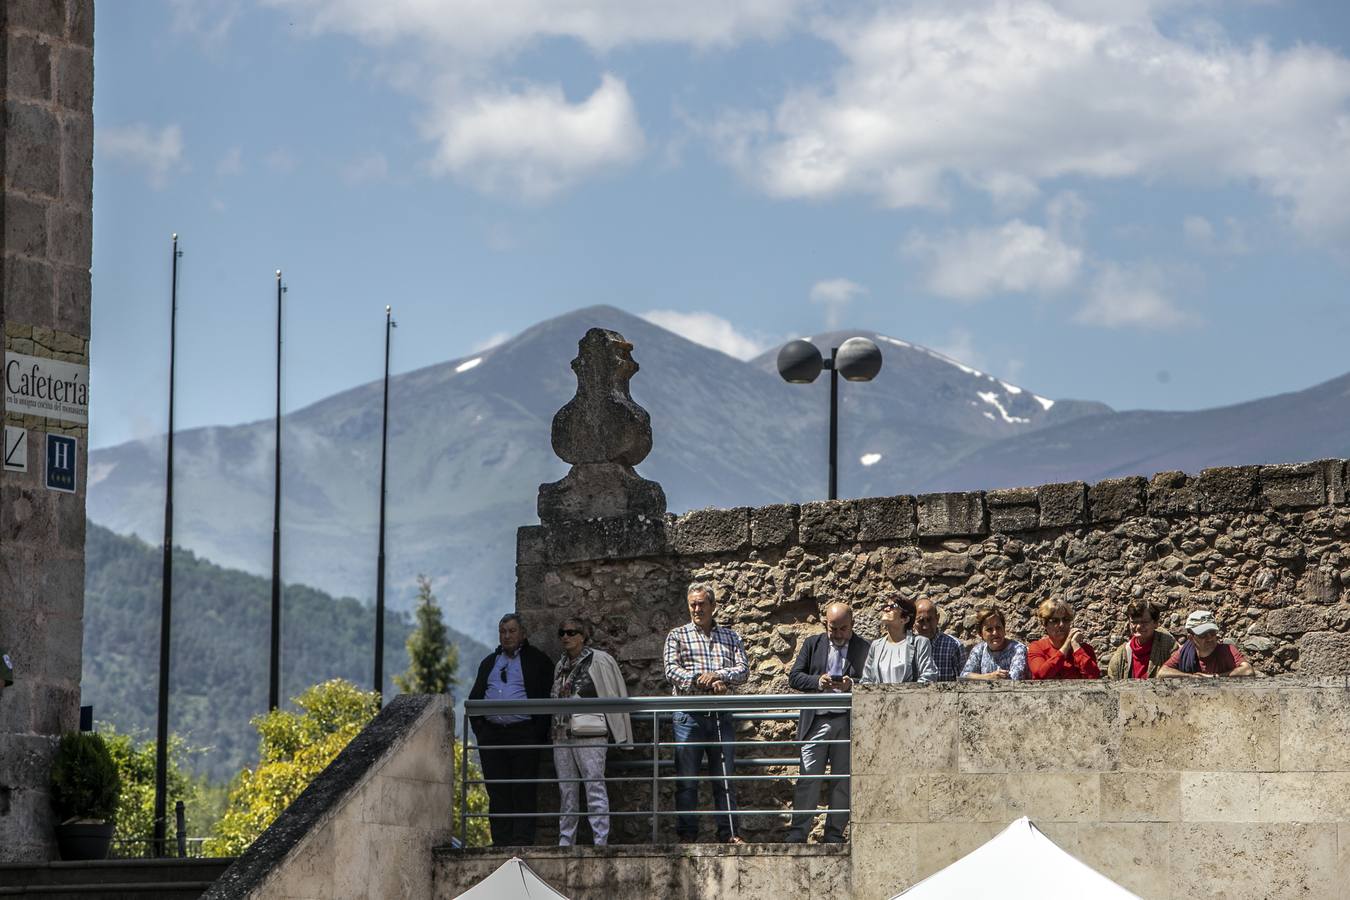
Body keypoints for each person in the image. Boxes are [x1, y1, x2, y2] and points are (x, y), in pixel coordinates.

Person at [663, 583, 749, 844]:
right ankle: (687, 836)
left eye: (701, 604)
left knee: (724, 777)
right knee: (687, 780)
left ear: (713, 606)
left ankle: (729, 834)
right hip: (689, 716)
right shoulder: (677, 635)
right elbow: (671, 670)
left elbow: (743, 670)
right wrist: (702, 681)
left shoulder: (731, 637)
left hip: (721, 715)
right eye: (692, 604)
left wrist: (719, 675)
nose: (697, 609)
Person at [785, 602, 869, 844]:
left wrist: (850, 684)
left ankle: (834, 835)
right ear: (826, 625)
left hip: (847, 720)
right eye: (833, 629)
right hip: (816, 721)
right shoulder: (813, 644)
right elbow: (795, 677)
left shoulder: (864, 647)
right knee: (808, 778)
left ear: (852, 624)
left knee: (843, 780)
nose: (839, 634)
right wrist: (818, 681)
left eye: (844, 629)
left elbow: (873, 680)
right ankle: (798, 834)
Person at [468, 613, 554, 847]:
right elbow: (474, 698)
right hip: (493, 735)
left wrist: (537, 732)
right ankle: (501, 841)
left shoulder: (537, 660)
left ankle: (522, 840)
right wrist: (481, 731)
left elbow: (548, 697)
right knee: (497, 789)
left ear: (523, 634)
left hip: (524, 732)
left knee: (523, 788)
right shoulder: (490, 662)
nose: (507, 636)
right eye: (503, 631)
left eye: (511, 631)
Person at [550, 616, 632, 847]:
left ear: (583, 636)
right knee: (567, 791)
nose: (566, 636)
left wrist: (621, 731)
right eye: (562, 632)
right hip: (561, 733)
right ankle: (566, 841)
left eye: (571, 632)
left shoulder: (599, 660)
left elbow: (613, 693)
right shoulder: (560, 665)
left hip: (590, 733)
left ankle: (600, 841)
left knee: (594, 784)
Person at [859, 595, 939, 684]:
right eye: (885, 606)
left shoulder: (919, 643)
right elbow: (866, 680)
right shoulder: (876, 646)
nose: (886, 609)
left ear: (904, 619)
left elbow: (928, 675)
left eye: (892, 607)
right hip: (879, 697)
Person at [1158, 610, 1254, 679]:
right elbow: (1162, 673)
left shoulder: (1227, 651)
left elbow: (1248, 670)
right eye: (1203, 635)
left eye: (1212, 633)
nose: (1210, 638)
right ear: (1191, 638)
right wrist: (1191, 677)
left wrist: (1216, 677)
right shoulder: (1185, 652)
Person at [1027, 599, 1101, 680]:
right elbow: (1041, 675)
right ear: (1045, 624)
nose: (1061, 625)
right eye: (1055, 620)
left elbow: (1094, 677)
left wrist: (1076, 646)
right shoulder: (1037, 647)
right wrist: (1066, 646)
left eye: (1066, 619)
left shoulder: (1084, 650)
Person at [1105, 600, 1177, 679]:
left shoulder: (1168, 647)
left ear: (1156, 623)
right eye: (1134, 622)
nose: (1138, 626)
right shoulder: (1120, 656)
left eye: (1144, 622)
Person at [960, 605, 1027, 681]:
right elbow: (964, 676)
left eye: (998, 628)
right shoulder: (979, 650)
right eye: (989, 629)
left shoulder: (1017, 649)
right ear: (980, 634)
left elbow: (1015, 678)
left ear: (1004, 629)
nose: (995, 633)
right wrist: (989, 677)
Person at [913, 599, 966, 681]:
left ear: (937, 618)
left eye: (929, 620)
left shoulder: (954, 646)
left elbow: (964, 679)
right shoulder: (909, 646)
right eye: (920, 621)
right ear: (913, 621)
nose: (925, 626)